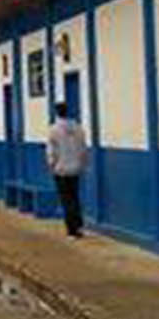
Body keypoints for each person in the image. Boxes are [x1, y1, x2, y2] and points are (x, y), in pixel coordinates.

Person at [48, 102, 90, 238]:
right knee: (75, 197)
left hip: (61, 169)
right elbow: (83, 149)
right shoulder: (78, 128)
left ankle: (72, 230)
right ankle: (79, 225)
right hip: (75, 168)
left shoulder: (54, 130)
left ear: (56, 112)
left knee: (66, 200)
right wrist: (83, 164)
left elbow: (52, 151)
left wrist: (51, 165)